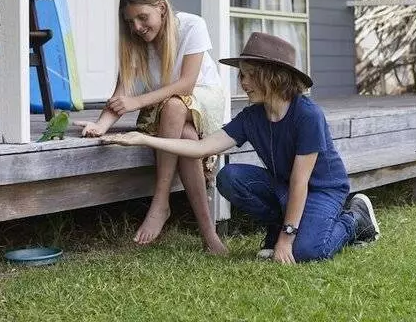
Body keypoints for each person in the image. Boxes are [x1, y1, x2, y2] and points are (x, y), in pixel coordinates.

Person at [100, 32, 380, 263]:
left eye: (249, 76)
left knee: (307, 252)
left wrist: (286, 239)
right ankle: (281, 226)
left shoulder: (307, 115)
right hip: (284, 186)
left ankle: (354, 219)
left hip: (322, 189)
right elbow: (203, 148)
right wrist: (145, 139)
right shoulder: (252, 117)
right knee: (230, 178)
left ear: (273, 76)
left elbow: (300, 182)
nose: (242, 83)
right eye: (241, 76)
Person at [74, 0, 228, 255]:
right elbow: (120, 97)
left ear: (161, 8)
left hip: (203, 99)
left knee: (175, 106)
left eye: (142, 17)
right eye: (130, 21)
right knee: (185, 135)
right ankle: (210, 237)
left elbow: (187, 85)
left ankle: (160, 202)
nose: (137, 27)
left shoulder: (192, 26)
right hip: (168, 114)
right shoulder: (135, 46)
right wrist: (100, 125)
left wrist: (137, 102)